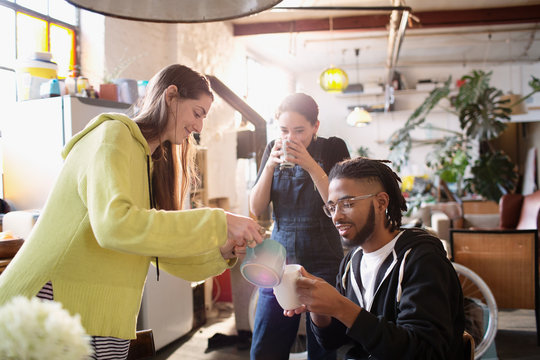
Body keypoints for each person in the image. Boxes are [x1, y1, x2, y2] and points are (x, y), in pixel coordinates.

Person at [0, 64, 264, 359]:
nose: (199, 127)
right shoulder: (113, 135)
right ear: (171, 96)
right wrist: (220, 220)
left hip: (101, 316)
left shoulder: (148, 160)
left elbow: (162, 253)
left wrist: (222, 250)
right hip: (50, 302)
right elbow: (114, 225)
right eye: (197, 113)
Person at [284, 157, 465, 359]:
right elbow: (334, 341)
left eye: (348, 204)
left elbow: (425, 351)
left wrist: (340, 306)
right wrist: (318, 308)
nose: (336, 217)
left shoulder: (422, 260)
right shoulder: (351, 263)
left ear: (381, 203)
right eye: (332, 207)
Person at [249, 93, 350, 360]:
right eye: (284, 130)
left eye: (300, 130)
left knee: (324, 348)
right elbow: (256, 208)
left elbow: (339, 206)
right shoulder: (273, 147)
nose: (291, 137)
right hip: (278, 259)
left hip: (324, 258)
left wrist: (310, 164)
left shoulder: (333, 149)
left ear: (316, 126)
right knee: (265, 347)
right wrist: (270, 166)